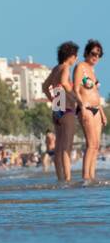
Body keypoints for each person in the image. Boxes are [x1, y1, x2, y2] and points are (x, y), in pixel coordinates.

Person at [42, 41, 81, 183]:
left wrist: (53, 100)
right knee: (67, 147)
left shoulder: (55, 69)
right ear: (70, 56)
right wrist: (75, 98)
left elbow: (45, 86)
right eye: (75, 55)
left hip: (57, 108)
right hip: (67, 108)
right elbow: (64, 82)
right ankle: (68, 179)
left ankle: (60, 179)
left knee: (58, 148)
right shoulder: (65, 68)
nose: (76, 58)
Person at [72, 39, 103, 183]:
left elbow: (96, 92)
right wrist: (82, 107)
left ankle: (92, 176)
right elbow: (76, 89)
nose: (96, 57)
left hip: (97, 109)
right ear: (86, 53)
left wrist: (102, 113)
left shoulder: (93, 70)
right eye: (93, 54)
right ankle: (85, 178)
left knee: (96, 145)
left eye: (99, 54)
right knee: (91, 144)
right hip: (86, 108)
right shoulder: (80, 67)